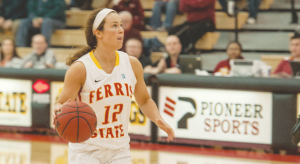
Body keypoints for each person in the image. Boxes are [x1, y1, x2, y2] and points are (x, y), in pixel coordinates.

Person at [52, 8, 174, 163]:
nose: (121, 30)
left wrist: (157, 118)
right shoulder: (80, 68)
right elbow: (61, 103)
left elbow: (144, 100)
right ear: (98, 33)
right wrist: (58, 110)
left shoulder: (132, 64)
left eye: (121, 25)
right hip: (86, 151)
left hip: (119, 150)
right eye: (114, 26)